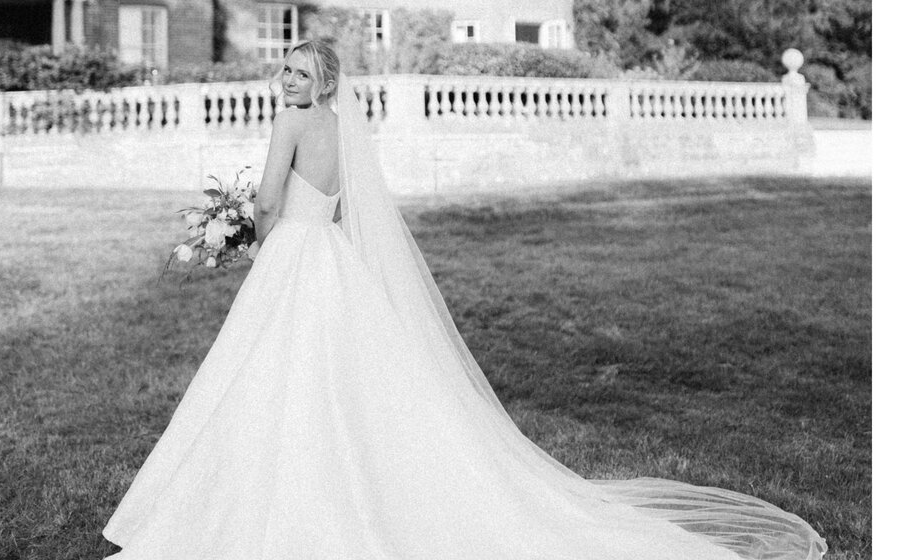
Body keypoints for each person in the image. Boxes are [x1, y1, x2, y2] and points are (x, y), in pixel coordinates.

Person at [102, 40, 827, 560]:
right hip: (328, 259)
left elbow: (267, 199)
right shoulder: (339, 129)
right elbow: (347, 207)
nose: (285, 80)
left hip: (293, 254)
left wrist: (251, 235)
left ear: (322, 83)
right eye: (283, 69)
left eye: (298, 72)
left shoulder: (292, 123)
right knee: (327, 382)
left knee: (270, 379)